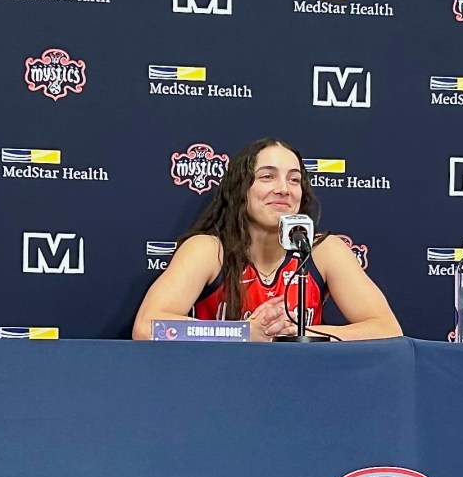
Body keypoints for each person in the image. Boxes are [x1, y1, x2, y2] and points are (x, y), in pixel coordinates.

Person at [132, 138, 403, 342]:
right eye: (267, 176)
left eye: (294, 180)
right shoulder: (208, 250)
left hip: (303, 388)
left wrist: (301, 334)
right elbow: (147, 327)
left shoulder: (324, 251)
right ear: (241, 188)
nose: (283, 189)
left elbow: (388, 330)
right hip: (219, 387)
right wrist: (243, 333)